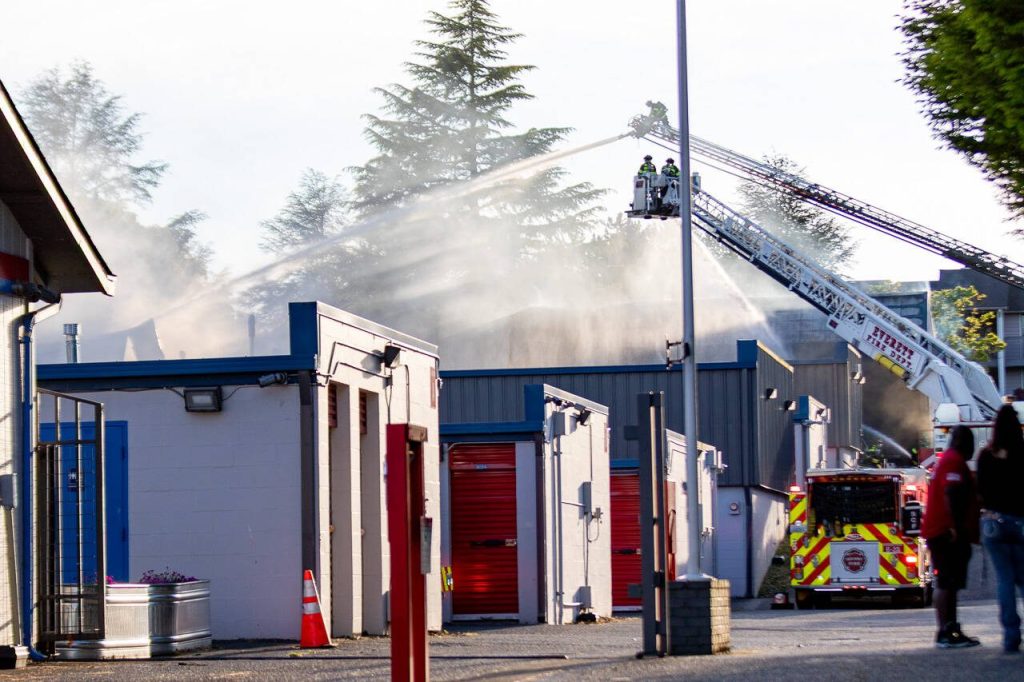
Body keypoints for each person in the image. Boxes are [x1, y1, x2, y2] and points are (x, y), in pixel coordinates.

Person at [921, 424, 981, 648]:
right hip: (946, 533)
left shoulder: (946, 460)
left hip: (940, 531)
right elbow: (952, 493)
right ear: (964, 443)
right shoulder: (954, 461)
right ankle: (946, 631)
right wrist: (956, 527)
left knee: (948, 582)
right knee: (946, 582)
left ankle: (950, 629)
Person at [977, 404, 1024, 653]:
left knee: (1004, 580)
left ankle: (1010, 636)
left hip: (993, 522)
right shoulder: (1022, 453)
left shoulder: (986, 455)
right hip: (1019, 520)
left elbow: (980, 490)